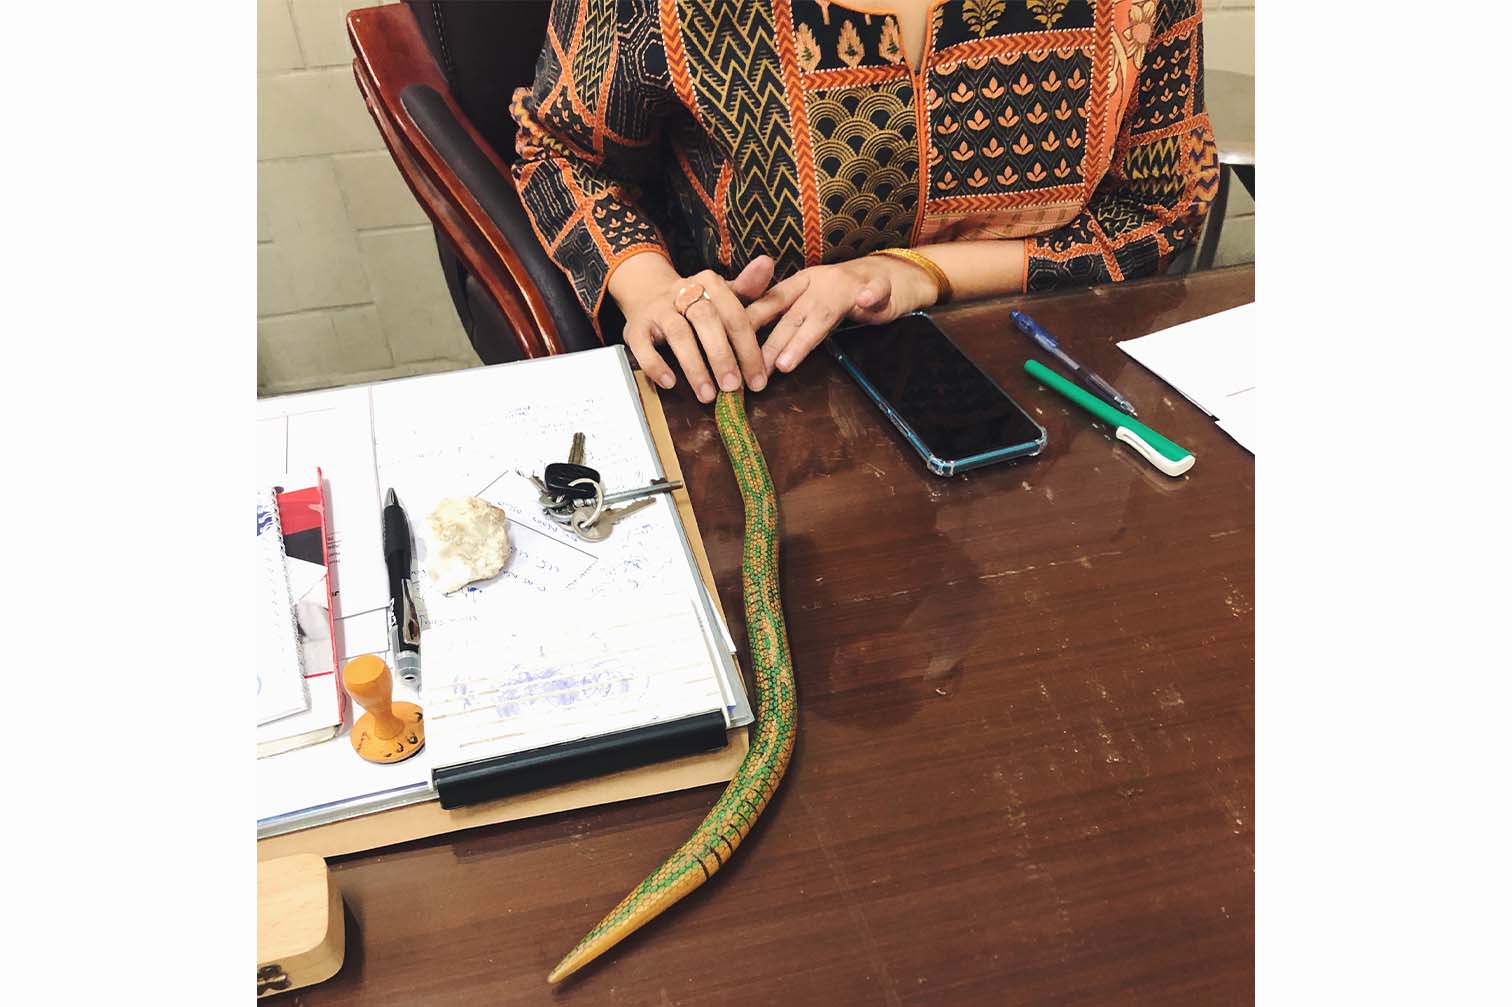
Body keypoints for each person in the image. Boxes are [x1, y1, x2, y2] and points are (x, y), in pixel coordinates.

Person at [511, 0, 1217, 402]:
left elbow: (1161, 206)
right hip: (757, 384)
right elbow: (558, 149)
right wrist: (652, 288)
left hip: (1049, 376)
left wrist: (916, 273)